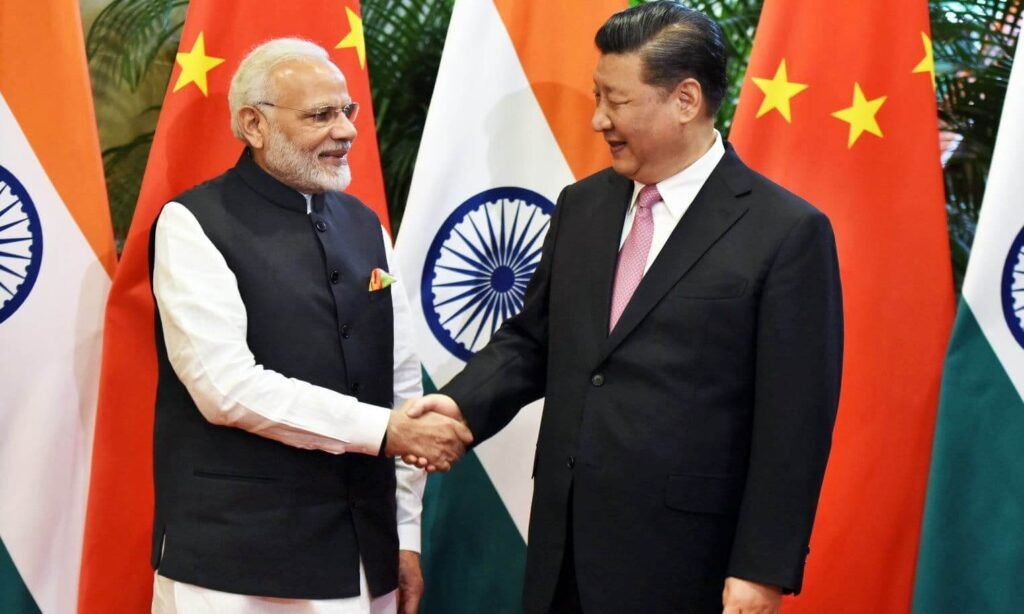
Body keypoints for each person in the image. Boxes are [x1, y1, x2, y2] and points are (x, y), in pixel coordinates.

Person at [407, 3, 843, 613]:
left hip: (687, 562)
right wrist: (457, 404)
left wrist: (761, 570)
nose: (596, 120)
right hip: (563, 549)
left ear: (685, 99)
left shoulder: (785, 231)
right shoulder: (581, 206)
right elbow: (534, 342)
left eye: (616, 101)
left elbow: (793, 424)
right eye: (597, 96)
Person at [148, 38, 471, 614]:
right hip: (237, 565)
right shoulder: (192, 222)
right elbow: (225, 388)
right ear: (254, 124)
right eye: (321, 115)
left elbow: (398, 384)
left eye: (347, 111)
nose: (346, 131)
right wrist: (384, 430)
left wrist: (406, 534)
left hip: (362, 557)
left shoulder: (365, 224)